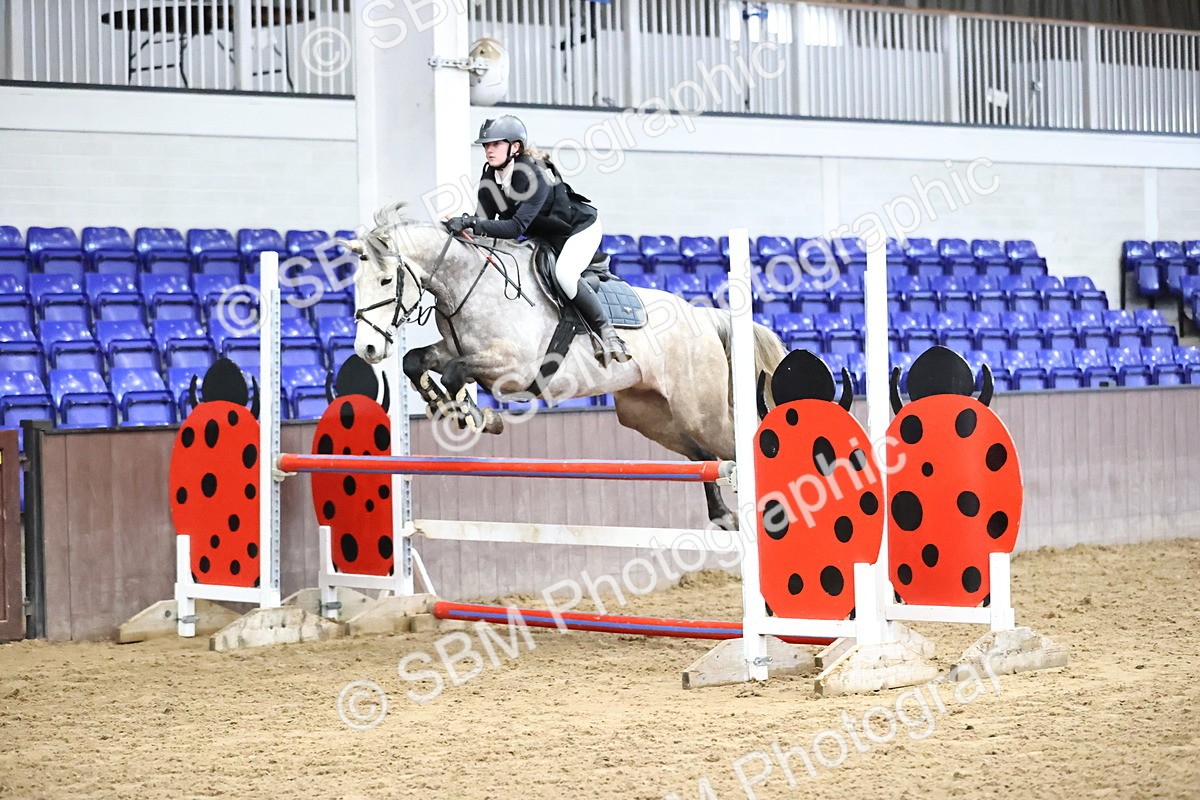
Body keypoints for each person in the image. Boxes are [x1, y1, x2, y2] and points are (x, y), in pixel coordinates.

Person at [444, 115, 631, 367]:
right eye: (486, 145)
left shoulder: (533, 174)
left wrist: (469, 222)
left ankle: (608, 335)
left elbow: (514, 227)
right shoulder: (491, 176)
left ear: (516, 147)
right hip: (543, 235)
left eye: (496, 144)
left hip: (577, 230)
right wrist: (458, 230)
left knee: (564, 274)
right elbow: (484, 223)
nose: (489, 150)